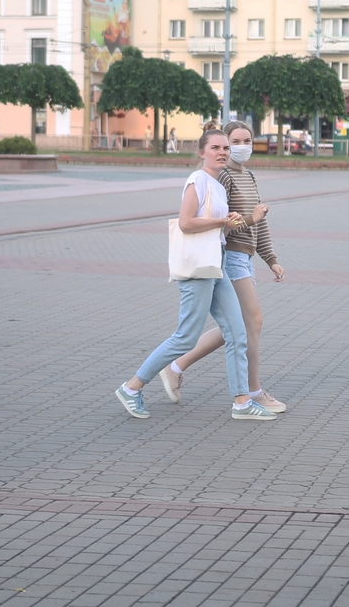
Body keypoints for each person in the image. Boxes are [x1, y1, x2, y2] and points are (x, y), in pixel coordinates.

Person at [115, 129, 276, 422]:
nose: (223, 152)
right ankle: (131, 387)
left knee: (237, 332)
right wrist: (220, 220)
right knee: (185, 338)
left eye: (225, 148)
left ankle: (242, 403)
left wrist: (243, 221)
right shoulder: (197, 181)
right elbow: (187, 223)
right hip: (198, 268)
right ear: (202, 152)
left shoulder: (217, 184)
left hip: (217, 264)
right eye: (216, 147)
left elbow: (221, 229)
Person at [161, 121, 287, 413]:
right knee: (251, 322)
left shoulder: (248, 175)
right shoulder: (224, 177)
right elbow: (224, 223)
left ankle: (176, 366)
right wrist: (250, 219)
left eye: (246, 141)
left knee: (238, 325)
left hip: (246, 256)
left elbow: (259, 222)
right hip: (229, 255)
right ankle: (252, 392)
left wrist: (271, 258)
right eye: (234, 142)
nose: (242, 147)